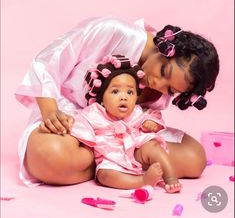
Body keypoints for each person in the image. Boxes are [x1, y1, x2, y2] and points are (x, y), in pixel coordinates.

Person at [15, 16, 219, 187]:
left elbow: (141, 118)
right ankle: (110, 165)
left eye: (170, 89)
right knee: (49, 155)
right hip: (73, 118)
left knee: (194, 158)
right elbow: (48, 60)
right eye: (164, 71)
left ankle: (109, 165)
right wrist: (51, 111)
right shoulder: (113, 31)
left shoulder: (159, 90)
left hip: (126, 134)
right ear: (165, 47)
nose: (158, 84)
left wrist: (147, 128)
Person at [71, 55, 181, 193]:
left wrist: (151, 123)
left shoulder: (136, 112)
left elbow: (152, 116)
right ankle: (142, 181)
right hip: (111, 158)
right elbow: (80, 123)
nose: (124, 96)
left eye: (130, 92)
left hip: (135, 151)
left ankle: (170, 179)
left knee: (153, 146)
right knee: (104, 176)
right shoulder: (94, 113)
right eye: (115, 91)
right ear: (102, 97)